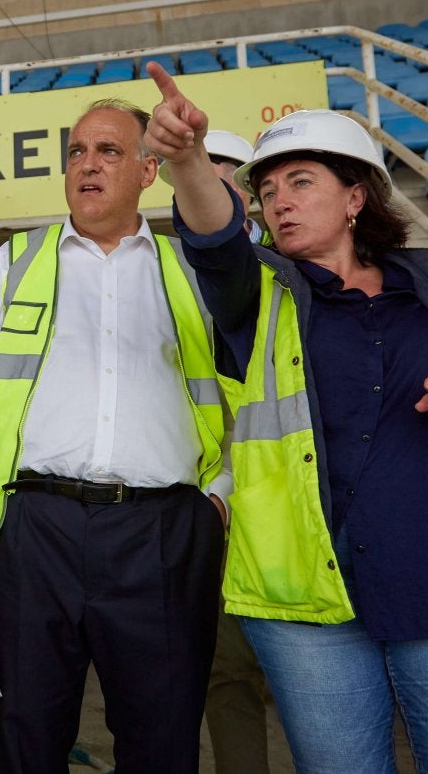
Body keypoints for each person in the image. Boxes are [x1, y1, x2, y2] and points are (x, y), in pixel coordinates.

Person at [146, 61, 428, 772]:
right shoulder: (260, 294)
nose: (279, 203)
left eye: (301, 183)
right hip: (310, 604)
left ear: (356, 196)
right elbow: (214, 237)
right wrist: (187, 161)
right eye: (267, 191)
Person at [0, 98, 231, 772]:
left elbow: (244, 395)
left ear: (150, 171)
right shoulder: (15, 262)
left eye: (109, 151)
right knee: (27, 736)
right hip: (34, 532)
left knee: (163, 740)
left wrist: (218, 501)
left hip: (164, 535)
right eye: (77, 152)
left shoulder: (191, 271)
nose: (88, 165)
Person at [172, 128, 274, 774]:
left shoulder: (295, 265)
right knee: (226, 671)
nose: (210, 183)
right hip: (210, 506)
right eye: (199, 171)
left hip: (286, 499)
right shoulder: (161, 269)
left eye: (224, 172)